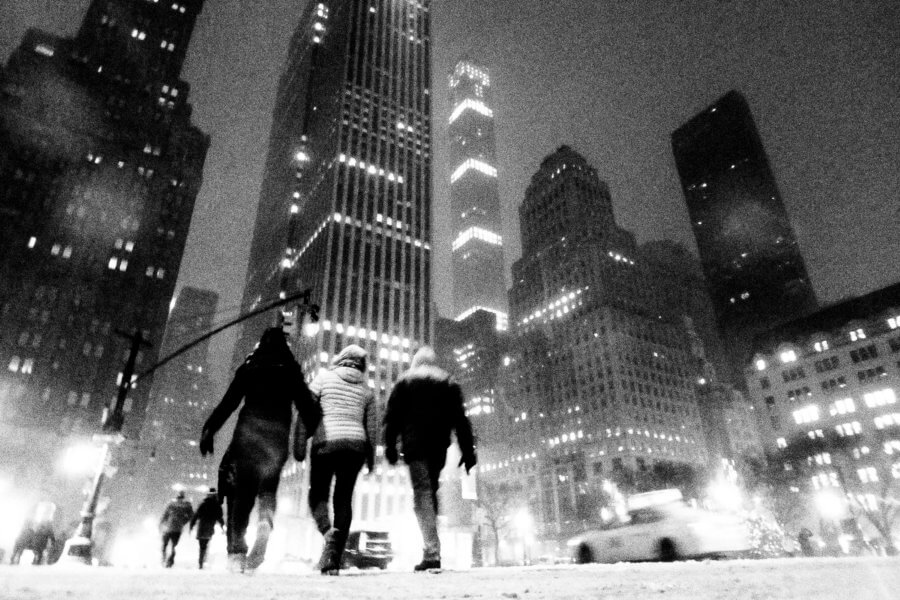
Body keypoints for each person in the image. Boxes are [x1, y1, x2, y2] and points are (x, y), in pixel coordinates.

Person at [200, 327, 318, 573]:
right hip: (276, 439)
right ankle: (265, 520)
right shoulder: (290, 370)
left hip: (248, 438)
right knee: (268, 488)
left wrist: (210, 428)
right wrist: (310, 431)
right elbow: (308, 407)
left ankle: (236, 554)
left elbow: (229, 402)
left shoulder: (250, 367)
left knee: (242, 496)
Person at [383, 346, 476, 571]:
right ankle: (431, 550)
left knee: (422, 493)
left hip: (415, 446)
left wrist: (390, 446)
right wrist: (468, 451)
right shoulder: (448, 382)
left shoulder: (404, 381)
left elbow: (392, 417)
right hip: (438, 446)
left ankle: (432, 551)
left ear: (416, 362)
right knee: (430, 491)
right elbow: (460, 420)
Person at [302, 344, 377, 575]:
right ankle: (333, 560)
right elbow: (372, 428)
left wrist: (299, 442)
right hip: (355, 447)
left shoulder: (323, 379)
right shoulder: (367, 390)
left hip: (326, 443)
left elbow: (307, 410)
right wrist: (371, 456)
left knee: (317, 494)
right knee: (343, 500)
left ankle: (327, 531)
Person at [190, 488, 225, 569]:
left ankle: (201, 561)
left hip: (202, 526)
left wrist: (192, 525)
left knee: (202, 545)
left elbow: (196, 515)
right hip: (210, 526)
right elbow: (220, 517)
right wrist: (222, 526)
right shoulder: (217, 505)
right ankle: (203, 560)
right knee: (206, 543)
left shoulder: (203, 504)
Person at [160, 490, 194, 568]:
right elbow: (191, 516)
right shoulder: (187, 506)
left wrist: (162, 523)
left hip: (169, 528)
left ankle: (164, 559)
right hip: (177, 529)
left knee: (165, 545)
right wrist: (184, 522)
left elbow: (165, 515)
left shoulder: (171, 504)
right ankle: (169, 561)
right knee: (174, 546)